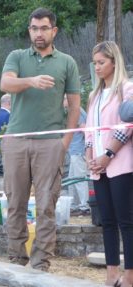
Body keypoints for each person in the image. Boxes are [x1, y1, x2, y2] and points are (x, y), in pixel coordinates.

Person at [0, 7, 81, 271]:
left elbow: (75, 107)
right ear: (29, 31)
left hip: (50, 143)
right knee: (15, 203)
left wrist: (64, 143)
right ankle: (16, 259)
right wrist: (32, 81)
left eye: (44, 28)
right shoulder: (17, 56)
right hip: (16, 140)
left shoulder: (67, 62)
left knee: (46, 205)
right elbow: (5, 84)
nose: (38, 33)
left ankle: (40, 264)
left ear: (54, 31)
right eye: (34, 28)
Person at [85, 41, 133, 287]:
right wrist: (90, 157)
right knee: (107, 221)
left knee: (127, 221)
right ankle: (111, 272)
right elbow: (89, 131)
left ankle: (130, 275)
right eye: (94, 63)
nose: (97, 68)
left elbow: (128, 125)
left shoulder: (127, 89)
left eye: (101, 63)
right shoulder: (94, 95)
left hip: (121, 165)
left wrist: (108, 155)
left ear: (114, 62)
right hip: (98, 169)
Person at [63, 98, 89, 215]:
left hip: (78, 151)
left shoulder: (76, 111)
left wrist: (88, 149)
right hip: (73, 151)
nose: (62, 102)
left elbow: (85, 129)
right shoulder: (73, 111)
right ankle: (73, 205)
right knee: (72, 180)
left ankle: (84, 206)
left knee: (79, 179)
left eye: (63, 99)